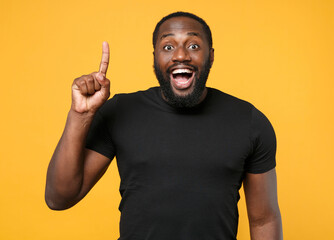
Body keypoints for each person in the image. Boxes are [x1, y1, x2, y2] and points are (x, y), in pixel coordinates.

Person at [45, 11, 283, 240]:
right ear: (155, 59)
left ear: (210, 56)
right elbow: (59, 198)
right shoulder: (120, 111)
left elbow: (264, 220)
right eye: (168, 47)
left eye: (193, 46)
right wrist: (80, 115)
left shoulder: (249, 121)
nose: (180, 56)